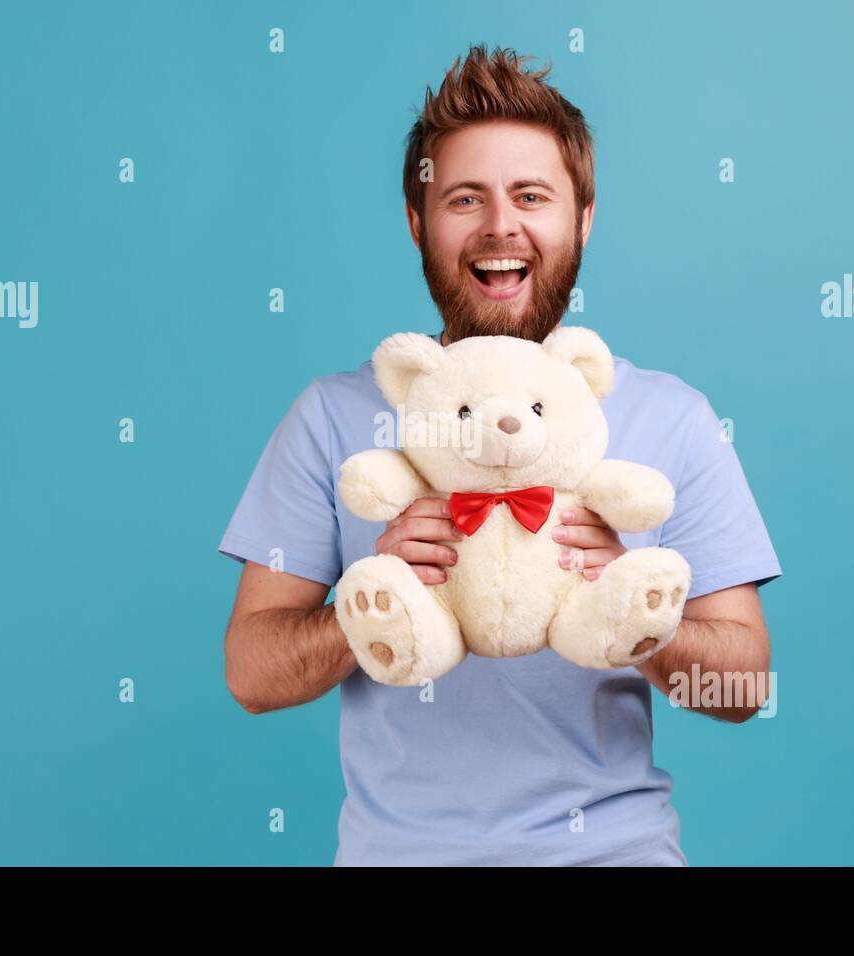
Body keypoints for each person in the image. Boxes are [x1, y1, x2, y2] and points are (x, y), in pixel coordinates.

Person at [218, 45, 782, 866]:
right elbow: (250, 675)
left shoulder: (672, 418)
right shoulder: (334, 417)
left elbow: (744, 689)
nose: (500, 227)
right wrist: (366, 606)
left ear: (582, 218)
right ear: (418, 221)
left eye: (531, 196)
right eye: (464, 198)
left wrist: (637, 613)